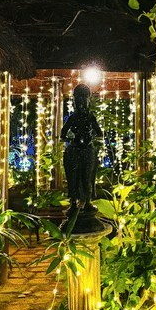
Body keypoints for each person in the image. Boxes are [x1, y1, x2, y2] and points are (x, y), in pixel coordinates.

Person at [59, 84, 103, 225]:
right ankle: (73, 202)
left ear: (88, 102)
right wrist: (70, 139)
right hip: (74, 149)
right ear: (75, 103)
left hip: (87, 151)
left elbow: (99, 133)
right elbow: (63, 134)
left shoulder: (91, 118)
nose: (81, 105)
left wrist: (93, 136)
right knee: (73, 177)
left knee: (87, 177)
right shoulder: (72, 118)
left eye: (84, 102)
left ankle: (88, 201)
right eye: (79, 102)